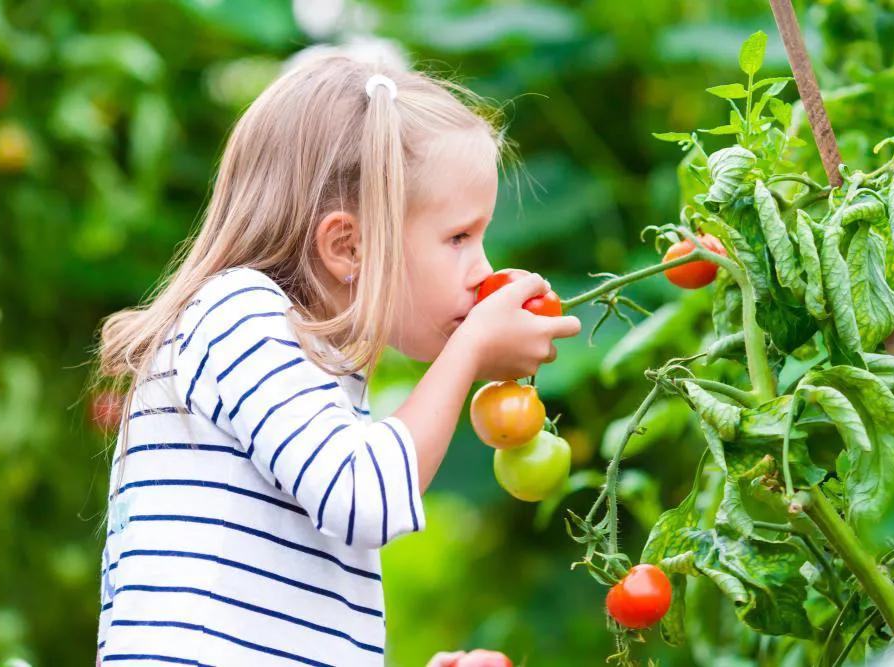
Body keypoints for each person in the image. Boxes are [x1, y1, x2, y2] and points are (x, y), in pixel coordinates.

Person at [89, 53, 580, 666]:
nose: (482, 269)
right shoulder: (238, 315)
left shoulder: (309, 365)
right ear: (348, 246)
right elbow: (361, 498)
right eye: (458, 237)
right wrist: (470, 348)